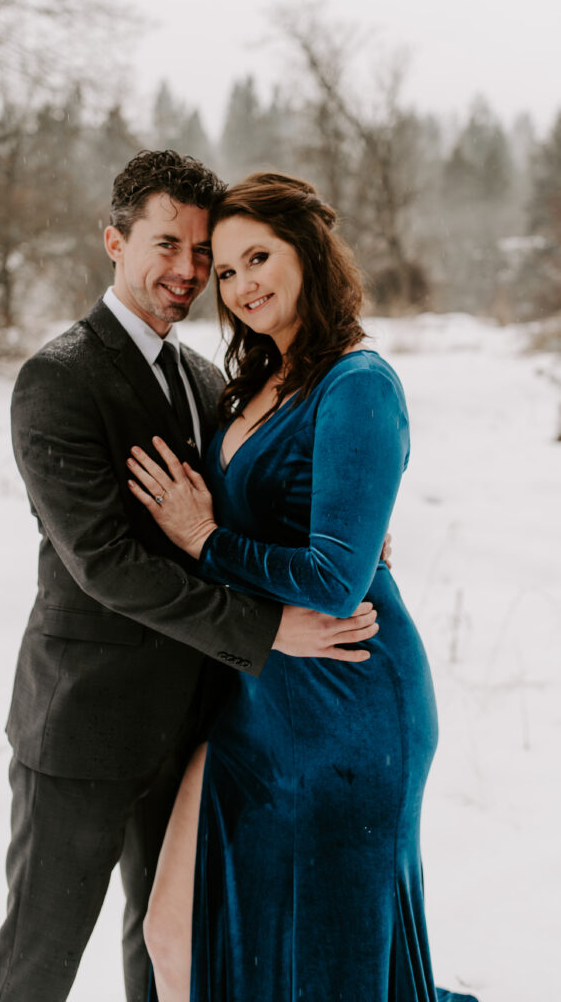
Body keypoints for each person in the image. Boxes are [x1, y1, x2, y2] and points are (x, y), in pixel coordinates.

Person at [0, 152, 384, 1002]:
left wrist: (349, 528)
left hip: (195, 721)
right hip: (86, 725)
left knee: (168, 955)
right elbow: (107, 566)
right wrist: (267, 630)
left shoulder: (207, 380)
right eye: (169, 246)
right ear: (114, 242)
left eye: (206, 255)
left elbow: (238, 511)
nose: (190, 272)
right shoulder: (59, 378)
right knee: (37, 959)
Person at [128, 172, 479, 1002]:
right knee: (172, 936)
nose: (243, 284)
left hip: (348, 704)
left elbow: (331, 578)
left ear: (309, 254)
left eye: (260, 257)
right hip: (260, 700)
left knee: (329, 962)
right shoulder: (256, 380)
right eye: (226, 270)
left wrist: (207, 539)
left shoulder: (358, 383)